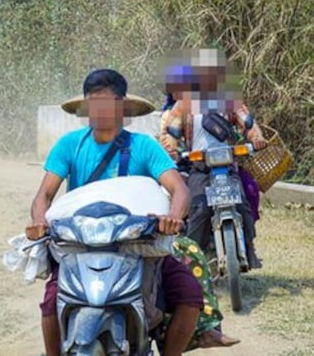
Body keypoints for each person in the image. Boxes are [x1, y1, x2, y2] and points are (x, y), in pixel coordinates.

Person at [27, 68, 202, 356]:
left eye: (106, 103)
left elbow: (179, 190)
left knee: (189, 293)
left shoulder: (144, 146)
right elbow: (44, 195)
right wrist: (38, 222)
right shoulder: (69, 145)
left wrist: (173, 217)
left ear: (122, 107)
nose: (99, 110)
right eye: (93, 103)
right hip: (80, 246)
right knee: (50, 302)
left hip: (136, 244)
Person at [159, 52, 267, 269]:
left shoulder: (230, 101)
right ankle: (191, 262)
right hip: (199, 167)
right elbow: (171, 130)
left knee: (244, 207)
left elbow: (246, 121)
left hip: (228, 165)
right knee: (198, 209)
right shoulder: (184, 104)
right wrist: (170, 146)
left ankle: (248, 248)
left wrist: (256, 138)